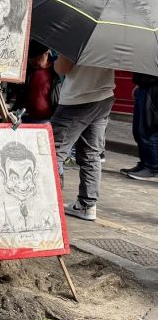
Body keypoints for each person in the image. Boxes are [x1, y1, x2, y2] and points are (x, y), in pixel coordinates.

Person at [51, 55, 115, 221]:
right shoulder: (114, 34)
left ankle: (47, 204)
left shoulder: (77, 31)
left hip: (77, 99)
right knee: (92, 154)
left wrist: (55, 62)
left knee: (52, 151)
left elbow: (62, 67)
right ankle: (87, 205)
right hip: (104, 96)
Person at [8, 40, 58, 123]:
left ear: (45, 54)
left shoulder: (56, 71)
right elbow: (18, 93)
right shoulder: (27, 70)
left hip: (47, 120)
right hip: (24, 118)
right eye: (30, 59)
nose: (31, 62)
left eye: (35, 58)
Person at [121, 73, 158, 182]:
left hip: (153, 89)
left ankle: (152, 167)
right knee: (139, 131)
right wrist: (138, 85)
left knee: (150, 130)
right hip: (144, 85)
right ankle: (144, 164)